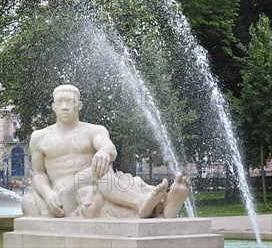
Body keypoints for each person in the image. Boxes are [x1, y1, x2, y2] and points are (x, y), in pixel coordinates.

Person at [21, 85, 190, 218]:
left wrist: (104, 152)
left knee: (111, 174)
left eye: (69, 101)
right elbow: (39, 174)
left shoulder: (94, 130)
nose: (65, 107)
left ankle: (165, 207)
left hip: (99, 189)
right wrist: (48, 193)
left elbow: (108, 146)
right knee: (101, 170)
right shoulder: (40, 137)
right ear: (53, 106)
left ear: (78, 105)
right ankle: (141, 203)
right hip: (64, 195)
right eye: (60, 102)